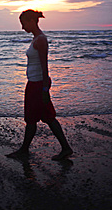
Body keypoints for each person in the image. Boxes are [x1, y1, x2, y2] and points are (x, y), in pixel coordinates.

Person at [6, 9, 73, 161]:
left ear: (31, 21)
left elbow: (44, 65)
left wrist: (44, 88)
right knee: (44, 117)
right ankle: (64, 148)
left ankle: (25, 150)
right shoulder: (36, 39)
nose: (22, 27)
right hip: (34, 83)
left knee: (37, 118)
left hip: (38, 84)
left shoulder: (40, 40)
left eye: (23, 23)